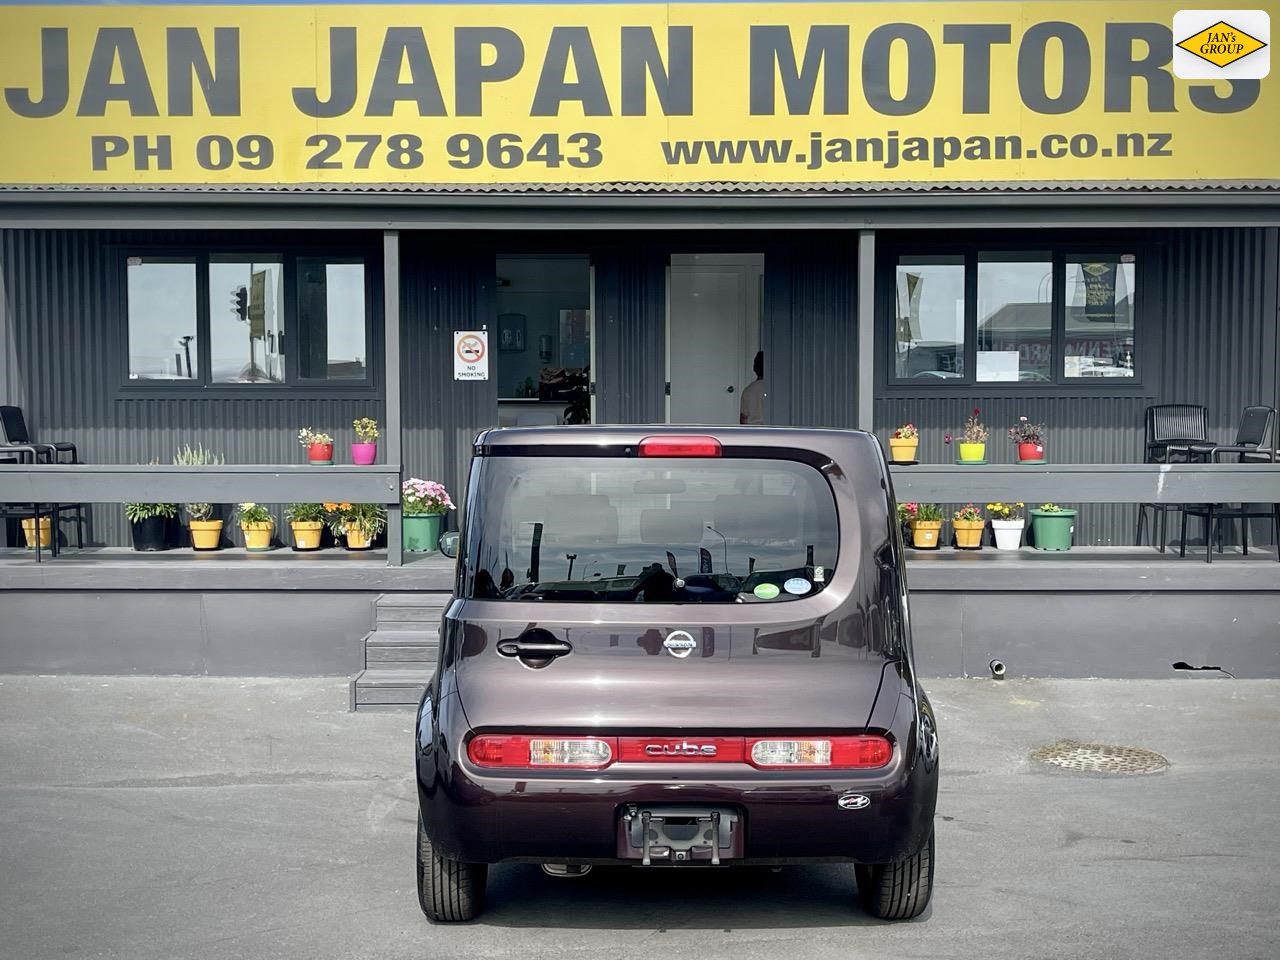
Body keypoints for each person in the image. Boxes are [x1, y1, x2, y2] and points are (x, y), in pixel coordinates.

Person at [739, 351, 765, 425]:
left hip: (752, 430)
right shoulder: (776, 390)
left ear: (755, 368)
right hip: (772, 430)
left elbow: (743, 418)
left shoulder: (748, 390)